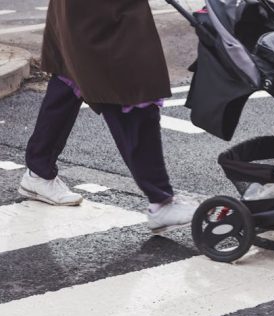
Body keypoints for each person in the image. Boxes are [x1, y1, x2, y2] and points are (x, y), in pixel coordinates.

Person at [17, 0, 198, 233]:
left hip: (82, 11)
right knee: (130, 88)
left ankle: (39, 171)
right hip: (104, 13)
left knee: (70, 75)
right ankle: (160, 201)